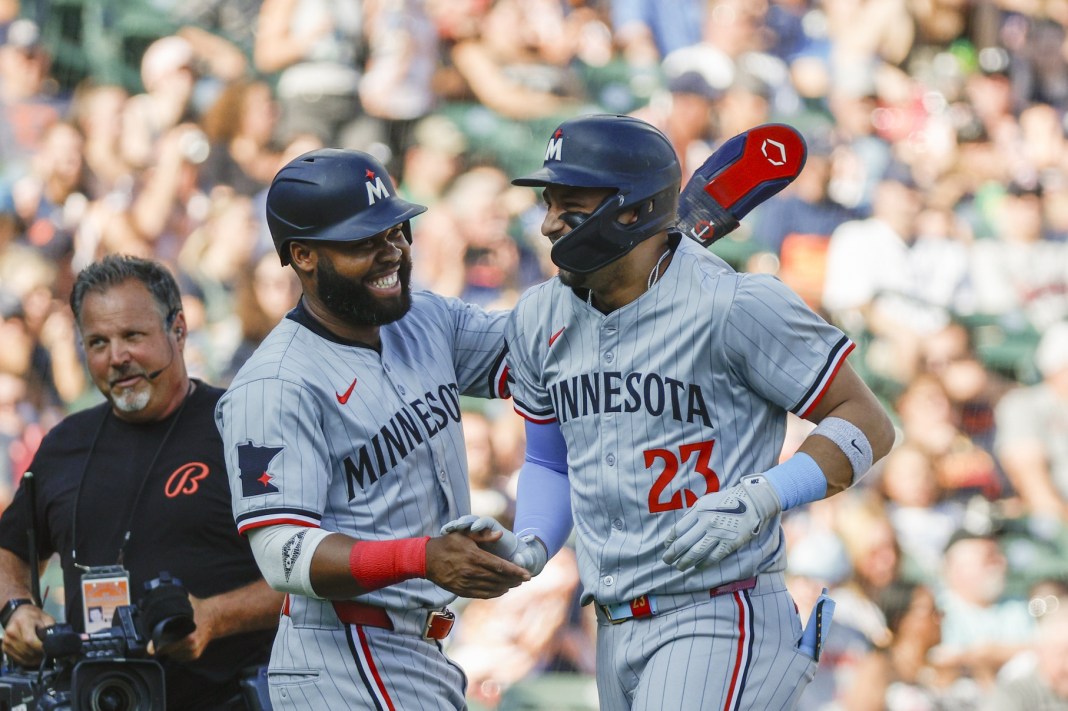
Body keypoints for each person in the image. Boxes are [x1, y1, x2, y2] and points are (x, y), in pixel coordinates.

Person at [446, 114, 895, 710]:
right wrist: (531, 542)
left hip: (717, 610)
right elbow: (549, 464)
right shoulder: (538, 317)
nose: (549, 222)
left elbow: (867, 421)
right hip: (612, 620)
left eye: (569, 204)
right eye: (549, 202)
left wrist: (765, 493)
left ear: (632, 211)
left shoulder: (736, 305)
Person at [214, 148, 531, 710]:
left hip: (417, 649)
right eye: (364, 241)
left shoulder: (423, 318)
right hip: (342, 650)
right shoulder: (274, 385)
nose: (393, 252)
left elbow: (538, 351)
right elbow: (282, 553)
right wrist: (422, 558)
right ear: (304, 255)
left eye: (396, 230)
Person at [0, 255, 282, 710]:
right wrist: (16, 608)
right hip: (100, 697)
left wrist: (214, 617)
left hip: (229, 697)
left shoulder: (243, 428)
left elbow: (308, 567)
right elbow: (8, 548)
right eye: (97, 342)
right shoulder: (65, 442)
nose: (117, 357)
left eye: (133, 336)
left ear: (179, 330)